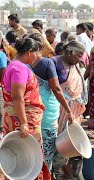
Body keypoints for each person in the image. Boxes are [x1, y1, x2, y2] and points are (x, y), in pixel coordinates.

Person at [2, 38, 50, 179]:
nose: (37, 56)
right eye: (36, 53)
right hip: (22, 119)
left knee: (21, 154)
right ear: (29, 52)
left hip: (16, 117)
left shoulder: (14, 65)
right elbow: (17, 97)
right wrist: (24, 123)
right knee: (30, 155)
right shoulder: (19, 68)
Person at [28, 33, 73, 172]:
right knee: (47, 152)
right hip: (47, 113)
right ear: (42, 46)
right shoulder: (47, 63)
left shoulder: (24, 63)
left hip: (29, 112)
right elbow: (56, 89)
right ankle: (46, 174)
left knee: (30, 150)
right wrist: (68, 110)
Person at [51, 41, 87, 179]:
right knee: (58, 140)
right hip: (58, 109)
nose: (80, 59)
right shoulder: (54, 63)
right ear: (69, 52)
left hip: (73, 111)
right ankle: (59, 170)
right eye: (78, 56)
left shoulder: (75, 66)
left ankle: (69, 172)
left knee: (72, 142)